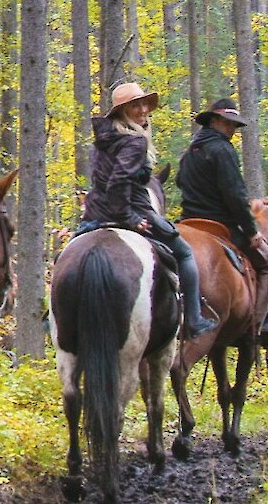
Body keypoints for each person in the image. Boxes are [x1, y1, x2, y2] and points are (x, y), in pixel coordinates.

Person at [81, 82, 215, 339]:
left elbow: (103, 183)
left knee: (67, 254)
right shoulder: (134, 142)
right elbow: (118, 184)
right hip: (129, 212)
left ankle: (49, 318)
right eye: (135, 105)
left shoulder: (102, 140)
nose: (143, 110)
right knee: (185, 255)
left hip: (94, 215)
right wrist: (130, 218)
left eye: (144, 104)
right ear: (122, 112)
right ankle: (194, 320)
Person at [177, 98, 268, 347]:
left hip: (189, 224)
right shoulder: (222, 150)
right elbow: (234, 195)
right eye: (228, 124)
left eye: (234, 125)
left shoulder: (190, 152)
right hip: (220, 226)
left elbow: (182, 183)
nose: (232, 130)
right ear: (213, 121)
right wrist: (250, 230)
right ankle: (260, 325)